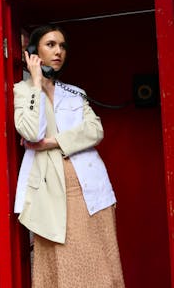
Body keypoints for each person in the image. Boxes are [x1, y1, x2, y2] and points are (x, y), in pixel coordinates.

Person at [13, 24, 125, 287]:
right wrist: (36, 82)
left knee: (102, 265)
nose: (58, 51)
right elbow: (31, 131)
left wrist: (52, 142)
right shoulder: (23, 91)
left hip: (91, 189)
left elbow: (95, 130)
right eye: (50, 44)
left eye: (62, 46)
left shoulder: (75, 92)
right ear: (33, 51)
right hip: (52, 193)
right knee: (64, 269)